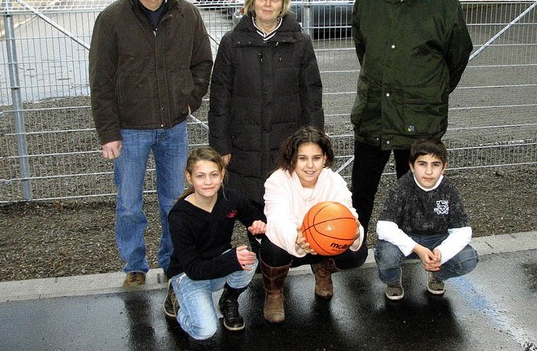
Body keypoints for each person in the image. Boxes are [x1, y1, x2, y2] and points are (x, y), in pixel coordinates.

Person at [88, 0, 213, 286]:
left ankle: (173, 263)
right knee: (129, 204)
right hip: (129, 130)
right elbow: (100, 80)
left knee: (174, 202)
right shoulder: (112, 19)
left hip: (174, 127)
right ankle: (134, 265)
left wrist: (189, 103)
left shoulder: (188, 15)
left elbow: (203, 63)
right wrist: (108, 132)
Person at [350, 0, 473, 234]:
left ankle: (416, 249)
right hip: (374, 116)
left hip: (419, 122)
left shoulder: (443, 2)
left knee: (418, 194)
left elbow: (457, 56)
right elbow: (364, 51)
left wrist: (429, 92)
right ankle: (352, 249)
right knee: (361, 192)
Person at [208, 0, 324, 253]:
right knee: (250, 205)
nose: (268, 3)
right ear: (251, 3)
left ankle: (285, 261)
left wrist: (314, 143)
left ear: (283, 3)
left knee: (285, 202)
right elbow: (219, 98)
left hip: (286, 142)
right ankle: (263, 262)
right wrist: (220, 145)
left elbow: (312, 96)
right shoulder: (232, 42)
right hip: (244, 142)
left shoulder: (300, 42)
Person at [260, 126, 367, 323]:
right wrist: (297, 238)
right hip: (295, 243)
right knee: (271, 247)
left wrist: (354, 233)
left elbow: (348, 212)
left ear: (325, 158)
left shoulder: (333, 180)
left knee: (357, 252)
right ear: (292, 159)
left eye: (316, 158)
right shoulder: (277, 180)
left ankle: (323, 270)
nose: (310, 165)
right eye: (302, 158)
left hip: (325, 244)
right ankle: (274, 292)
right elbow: (276, 218)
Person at [163, 147, 267, 340]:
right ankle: (178, 301)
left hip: (215, 265)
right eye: (200, 176)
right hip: (188, 274)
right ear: (189, 177)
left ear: (222, 174)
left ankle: (228, 300)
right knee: (205, 331)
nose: (208, 182)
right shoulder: (179, 216)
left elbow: (255, 217)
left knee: (249, 261)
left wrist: (258, 225)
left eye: (213, 174)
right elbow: (193, 269)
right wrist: (231, 260)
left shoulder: (230, 198)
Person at [374, 138, 479, 300]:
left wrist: (441, 253)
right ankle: (393, 281)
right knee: (386, 255)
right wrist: (417, 248)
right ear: (411, 166)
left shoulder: (449, 190)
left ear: (444, 167)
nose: (429, 171)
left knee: (468, 259)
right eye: (422, 164)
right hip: (406, 240)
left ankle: (436, 274)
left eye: (435, 165)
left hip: (437, 240)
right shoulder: (402, 186)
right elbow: (384, 227)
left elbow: (463, 230)